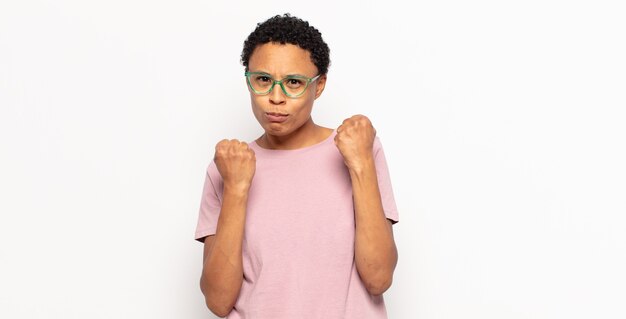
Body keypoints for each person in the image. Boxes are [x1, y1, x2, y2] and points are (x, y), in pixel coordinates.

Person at [194, 13, 399, 319]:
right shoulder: (227, 166)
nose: (276, 98)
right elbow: (219, 301)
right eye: (263, 80)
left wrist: (360, 163)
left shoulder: (359, 150)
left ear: (319, 86)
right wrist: (237, 188)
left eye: (293, 82)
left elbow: (379, 277)